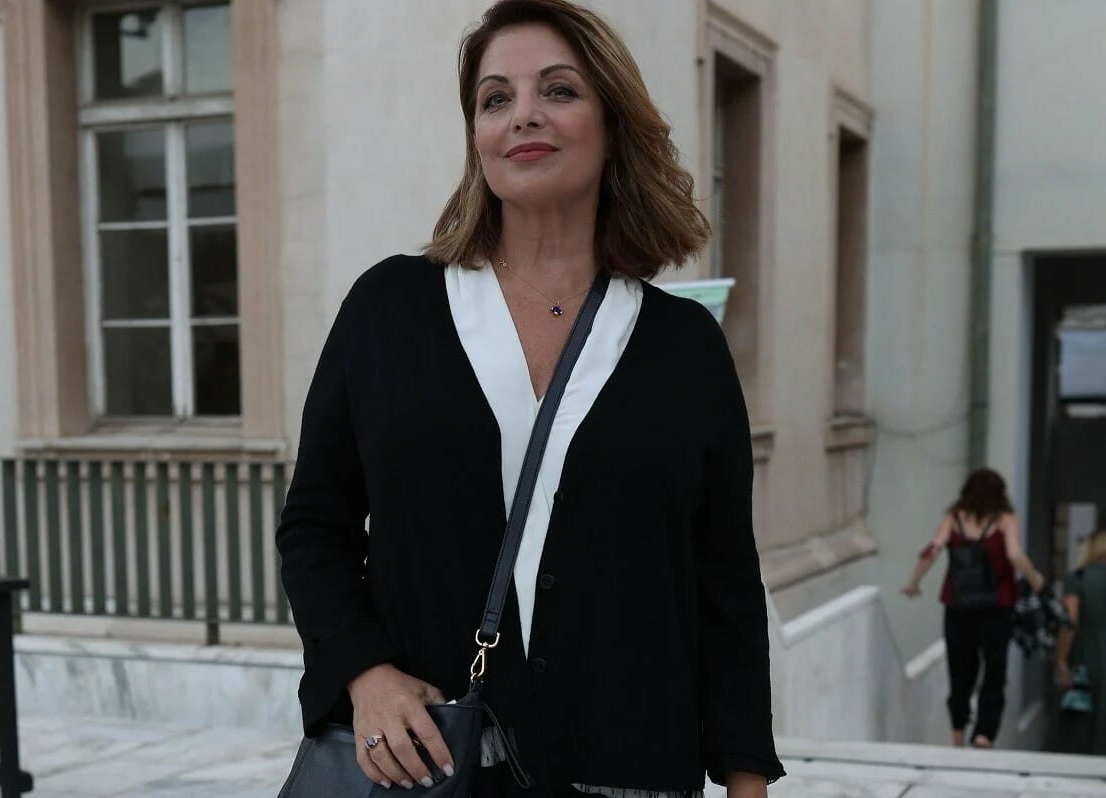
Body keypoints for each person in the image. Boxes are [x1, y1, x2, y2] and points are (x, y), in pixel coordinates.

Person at [274, 1, 784, 796]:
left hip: (631, 774)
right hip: (433, 770)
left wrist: (747, 782)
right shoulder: (389, 310)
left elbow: (725, 584)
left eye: (558, 90)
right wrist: (364, 673)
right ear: (477, 136)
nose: (523, 116)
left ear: (612, 123)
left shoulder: (683, 346)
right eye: (496, 98)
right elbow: (314, 526)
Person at [902, 469, 1046, 748]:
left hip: (958, 607)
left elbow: (933, 549)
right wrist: (1036, 580)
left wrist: (913, 582)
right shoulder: (1005, 519)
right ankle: (984, 734)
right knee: (994, 671)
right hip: (997, 607)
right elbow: (1015, 555)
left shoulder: (953, 518)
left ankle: (957, 735)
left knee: (960, 673)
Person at [1050, 528, 1106, 755]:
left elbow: (1070, 620)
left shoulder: (1077, 578)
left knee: (1082, 721)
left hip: (1088, 656)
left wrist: (1061, 661)